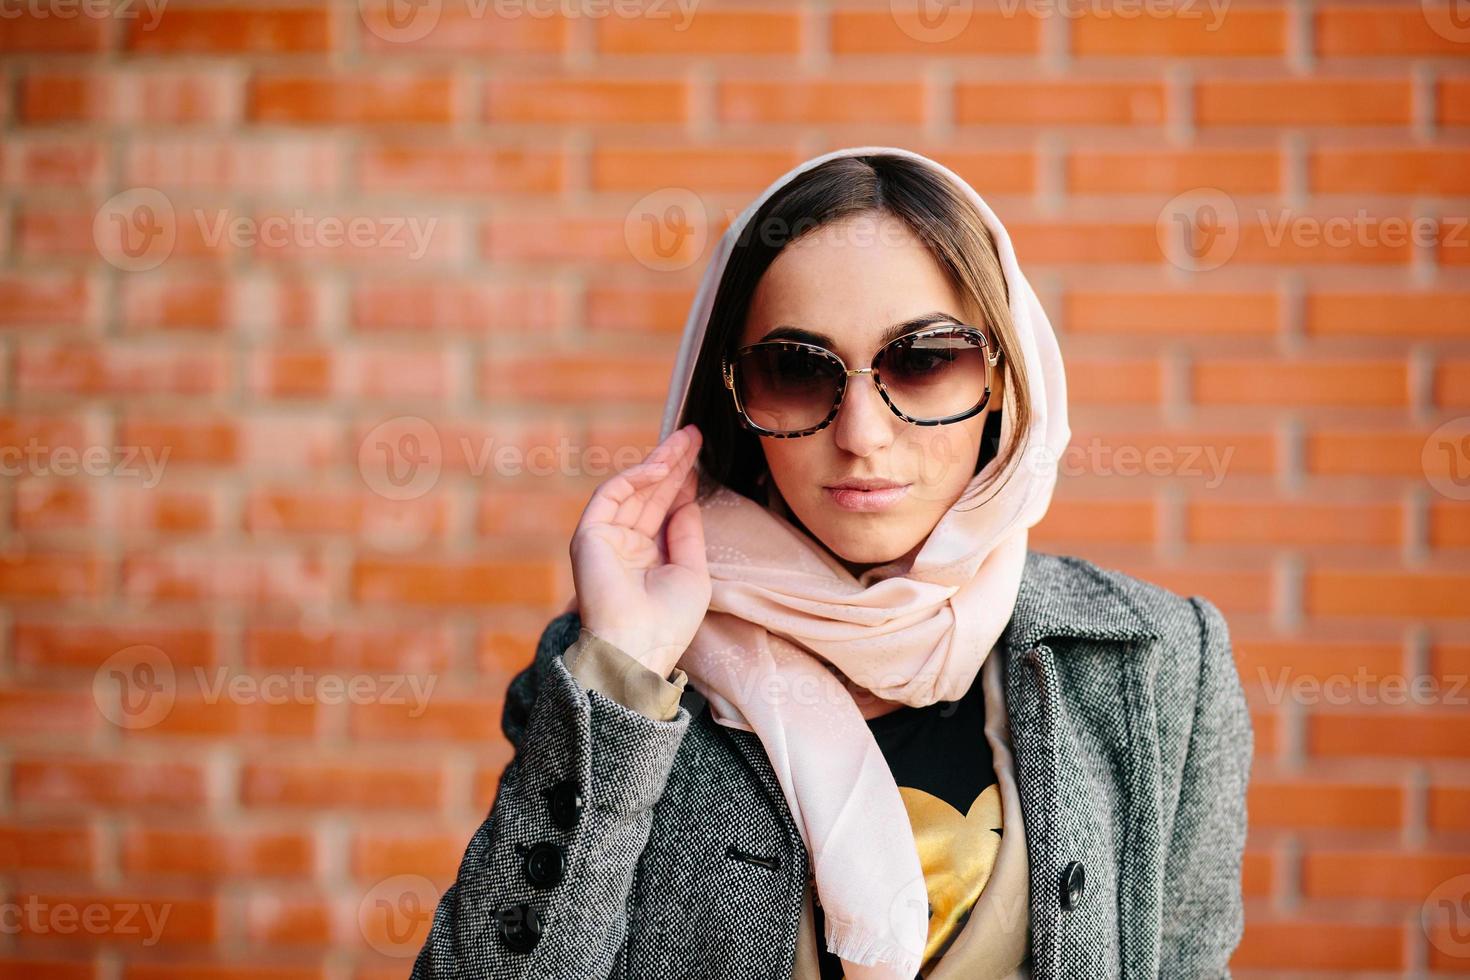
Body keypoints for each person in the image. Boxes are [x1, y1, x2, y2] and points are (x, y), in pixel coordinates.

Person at [410, 146, 1253, 979]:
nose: (860, 435)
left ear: (1003, 376)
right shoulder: (622, 666)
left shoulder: (1155, 661)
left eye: (923, 360)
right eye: (795, 370)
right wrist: (624, 670)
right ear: (735, 399)